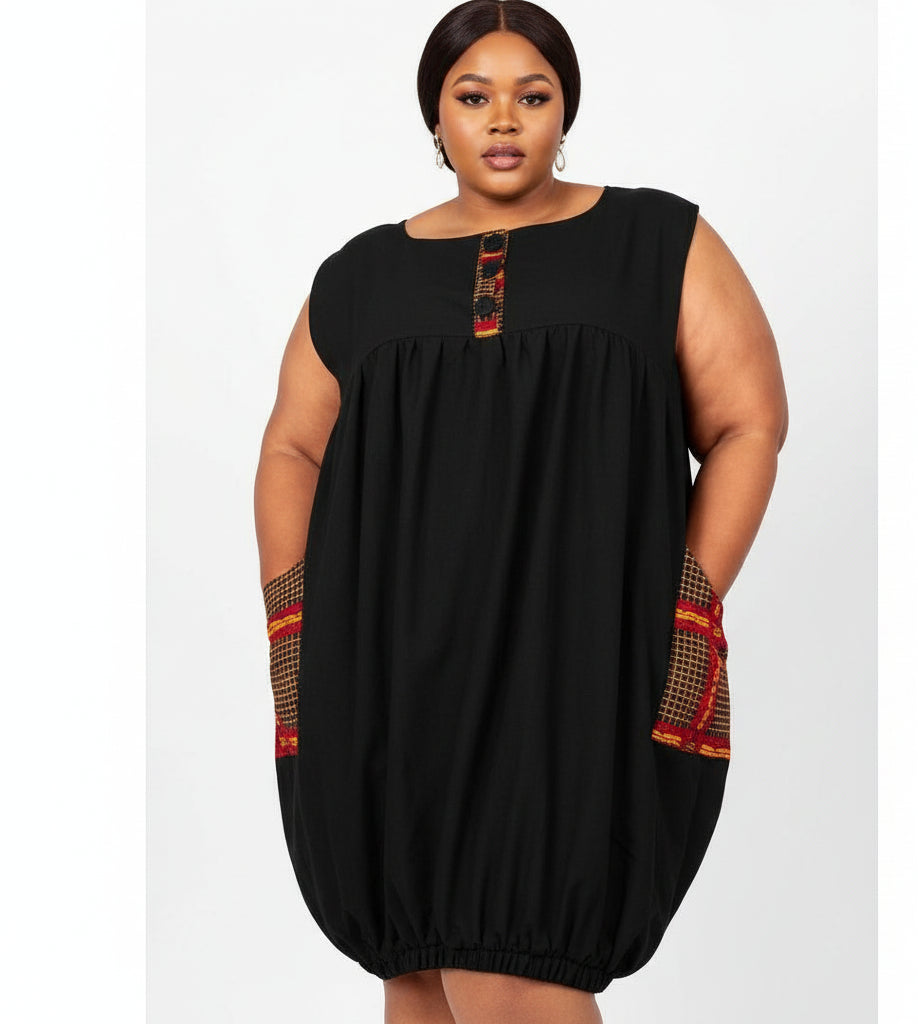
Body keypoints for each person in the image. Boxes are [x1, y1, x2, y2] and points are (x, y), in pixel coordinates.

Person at [253, 2, 788, 1021]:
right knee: (418, 969)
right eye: (474, 96)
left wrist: (688, 601)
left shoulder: (656, 241)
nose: (503, 118)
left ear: (563, 112)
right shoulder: (360, 275)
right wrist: (294, 626)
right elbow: (291, 448)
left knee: (514, 954)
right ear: (436, 117)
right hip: (388, 667)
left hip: (572, 664)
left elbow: (747, 425)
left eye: (532, 95)